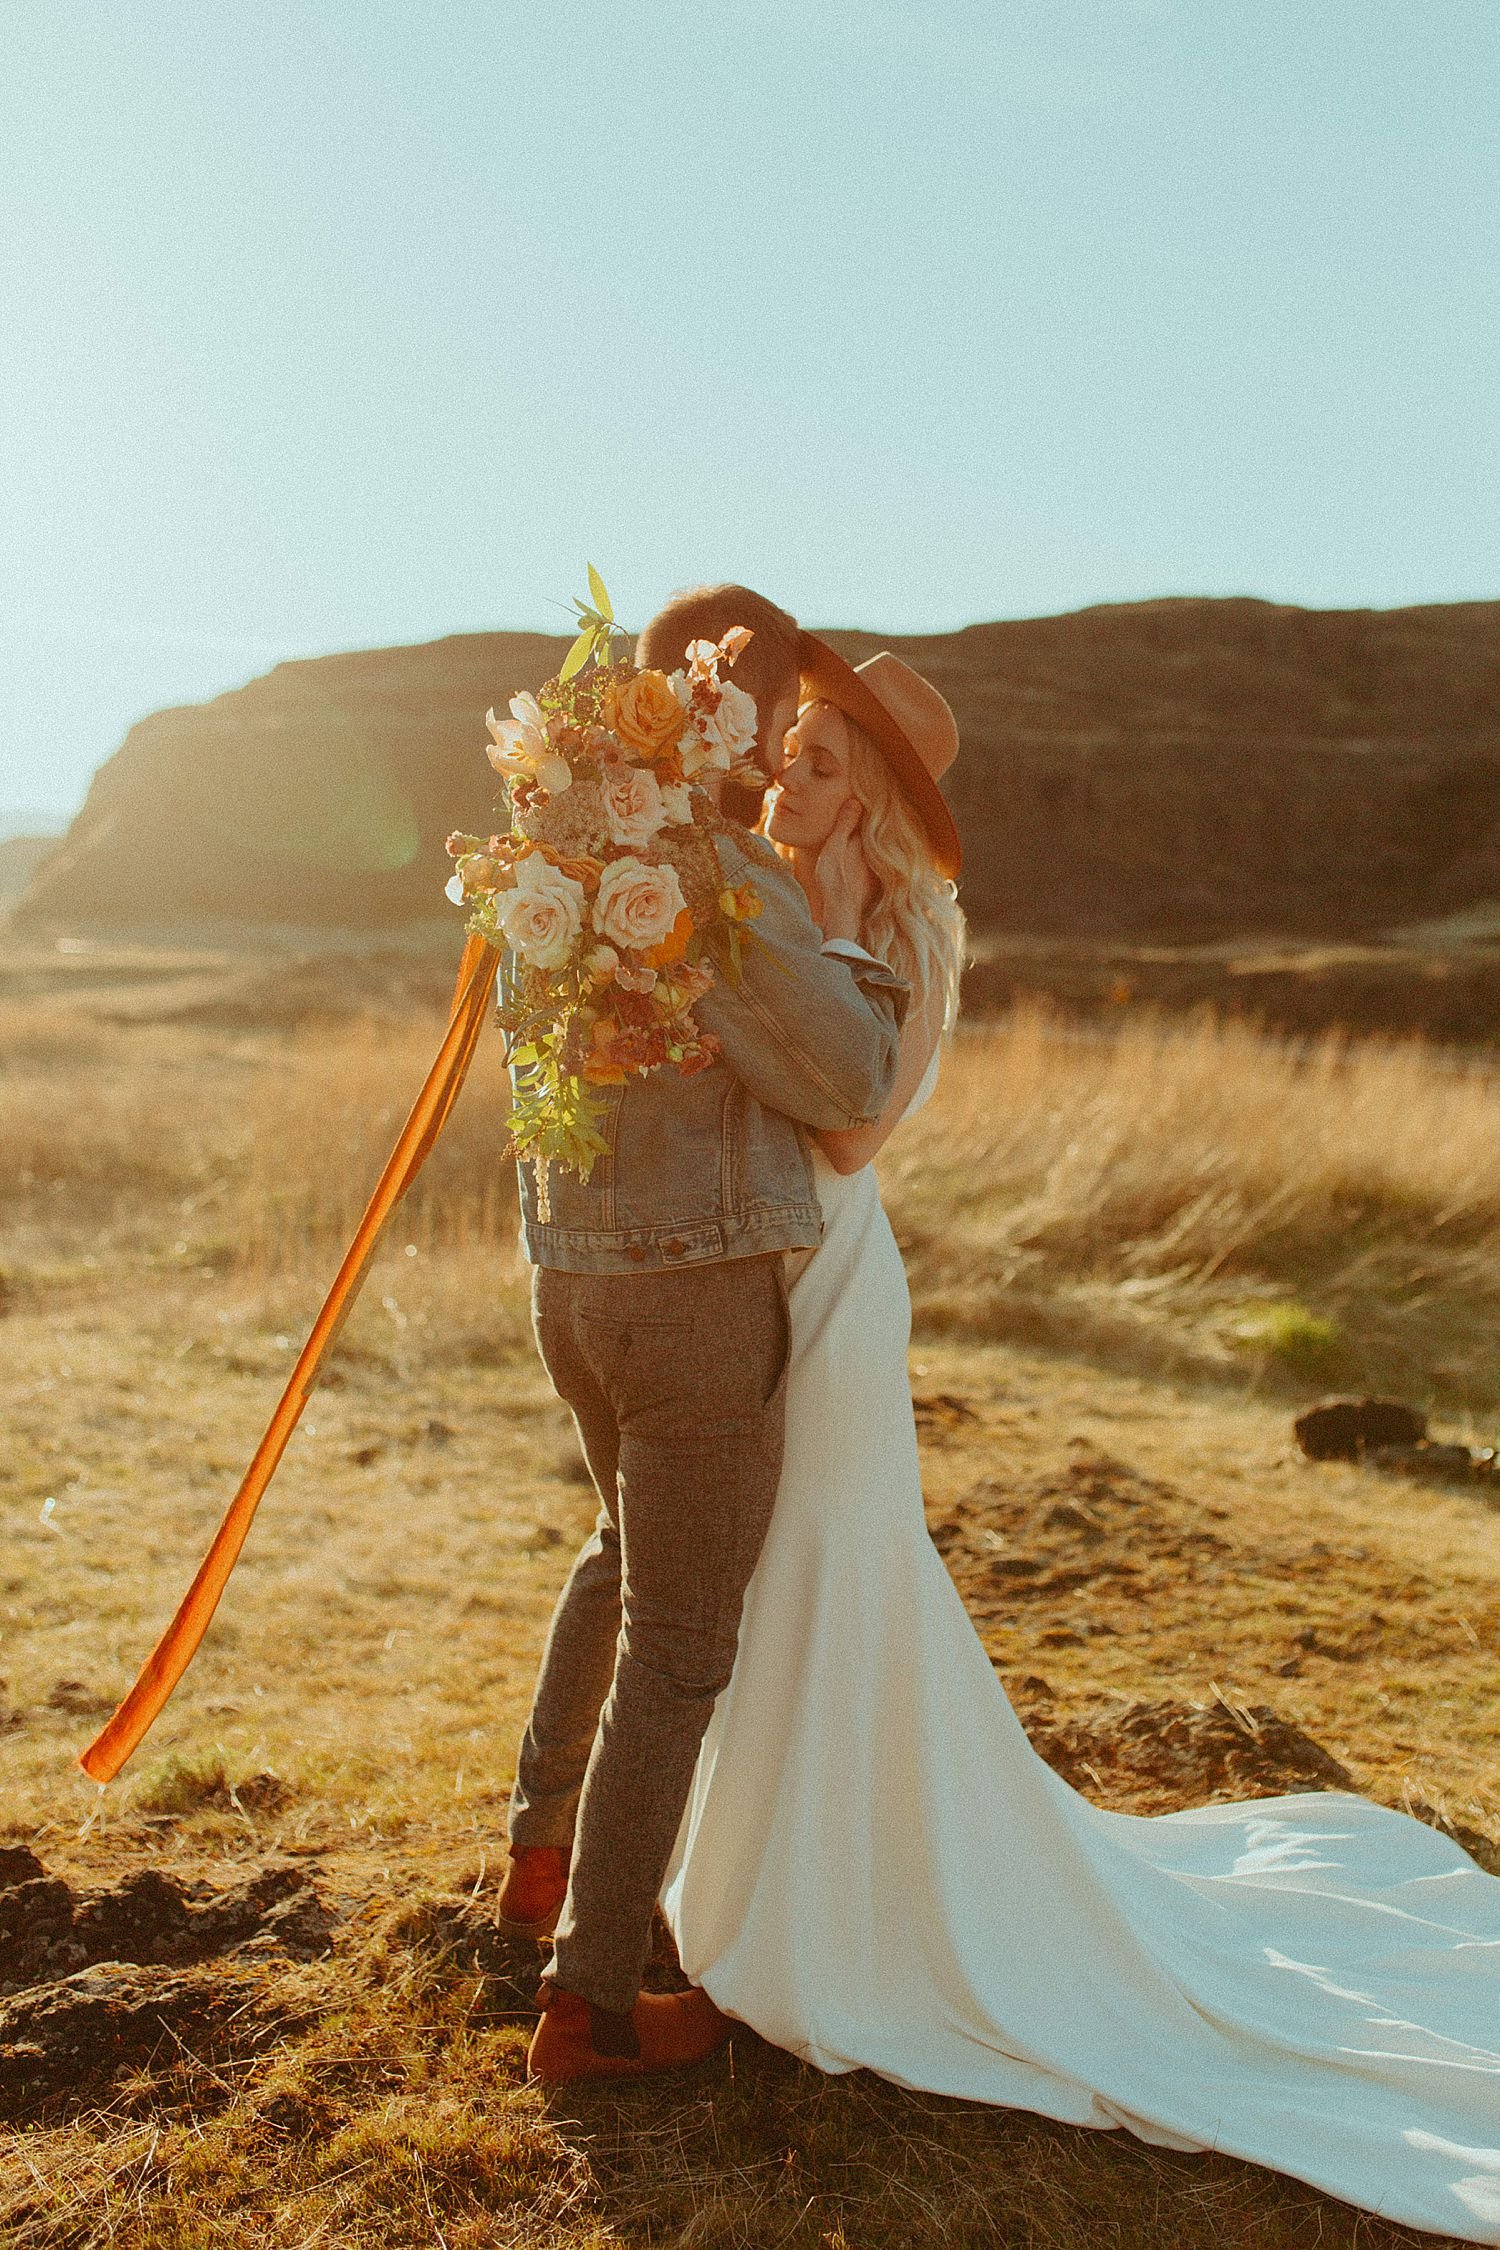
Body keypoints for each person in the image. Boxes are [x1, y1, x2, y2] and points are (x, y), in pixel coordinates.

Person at [657, 638, 1500, 2244]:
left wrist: (816, 944)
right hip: (724, 1264)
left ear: (880, 797)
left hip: (830, 1276)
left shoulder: (910, 923)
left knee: (834, 1552)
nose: (787, 776)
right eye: (788, 749)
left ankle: (851, 1919)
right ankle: (759, 1874)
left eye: (824, 762)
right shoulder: (743, 883)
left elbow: (853, 1123)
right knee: (752, 1564)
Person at [496, 586, 910, 2085]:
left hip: (568, 1280)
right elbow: (849, 1069)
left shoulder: (556, 848)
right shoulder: (717, 873)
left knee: (619, 1549)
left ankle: (540, 1852)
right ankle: (591, 1999)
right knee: (682, 1640)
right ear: (736, 713)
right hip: (690, 1295)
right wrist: (851, 941)